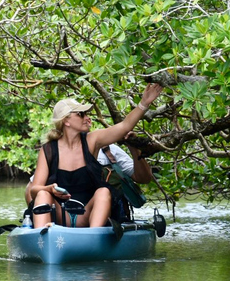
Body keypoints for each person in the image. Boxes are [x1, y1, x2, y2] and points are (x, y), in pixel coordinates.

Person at [28, 82, 163, 229]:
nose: (87, 118)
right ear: (66, 121)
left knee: (103, 191)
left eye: (87, 114)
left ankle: (93, 236)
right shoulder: (48, 150)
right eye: (81, 114)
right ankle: (42, 236)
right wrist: (50, 189)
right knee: (42, 194)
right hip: (61, 215)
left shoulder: (93, 140)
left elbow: (124, 126)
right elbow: (34, 190)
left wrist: (143, 104)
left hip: (87, 214)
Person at [23, 133, 151, 206]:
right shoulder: (55, 152)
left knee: (103, 194)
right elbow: (31, 188)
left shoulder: (109, 150)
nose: (87, 119)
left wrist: (134, 148)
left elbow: (143, 178)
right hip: (62, 212)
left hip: (106, 212)